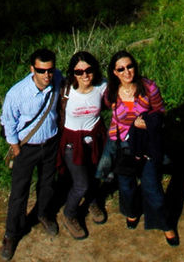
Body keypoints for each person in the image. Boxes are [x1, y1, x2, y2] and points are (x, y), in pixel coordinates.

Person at [104, 50, 178, 246]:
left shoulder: (148, 88)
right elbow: (107, 109)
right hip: (124, 145)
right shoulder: (111, 92)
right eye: (121, 69)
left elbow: (161, 112)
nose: (127, 71)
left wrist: (149, 122)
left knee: (152, 185)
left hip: (146, 144)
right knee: (126, 185)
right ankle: (132, 212)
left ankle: (166, 225)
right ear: (114, 72)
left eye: (130, 66)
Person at [0, 47, 62, 260]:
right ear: (32, 69)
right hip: (27, 148)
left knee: (47, 183)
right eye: (41, 71)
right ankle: (11, 233)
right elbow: (8, 123)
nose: (47, 75)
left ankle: (43, 213)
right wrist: (17, 150)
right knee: (19, 192)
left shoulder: (57, 78)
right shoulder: (17, 93)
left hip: (51, 143)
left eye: (50, 70)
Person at [57, 50, 109, 239]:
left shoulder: (101, 86)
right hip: (72, 141)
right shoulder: (65, 90)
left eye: (88, 70)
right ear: (73, 73)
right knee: (81, 183)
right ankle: (69, 214)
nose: (85, 75)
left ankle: (93, 200)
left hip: (95, 138)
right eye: (79, 72)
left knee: (95, 174)